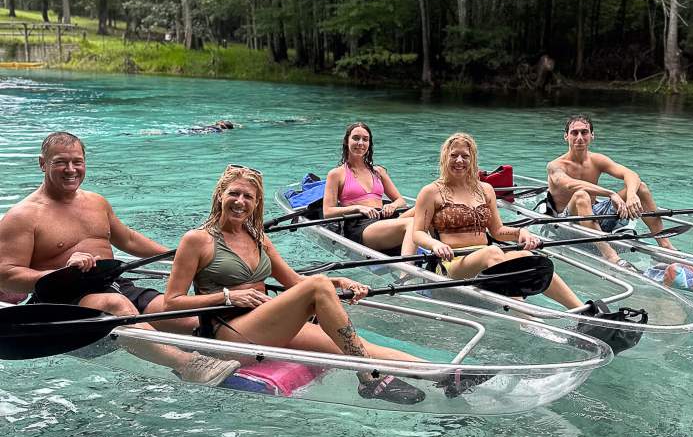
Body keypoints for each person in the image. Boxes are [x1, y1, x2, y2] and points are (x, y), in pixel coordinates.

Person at [162, 164, 430, 405]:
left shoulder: (257, 238)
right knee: (318, 286)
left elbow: (294, 283)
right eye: (234, 193)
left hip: (266, 324)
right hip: (228, 335)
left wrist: (338, 281)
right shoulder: (197, 240)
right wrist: (227, 296)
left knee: (361, 344)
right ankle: (369, 376)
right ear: (220, 194)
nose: (239, 202)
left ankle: (447, 375)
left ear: (257, 203)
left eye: (248, 197)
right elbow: (172, 302)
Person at [0, 131, 239, 386]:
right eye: (60, 162)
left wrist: (183, 255)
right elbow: (7, 275)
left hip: (115, 285)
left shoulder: (96, 202)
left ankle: (227, 350)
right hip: (63, 301)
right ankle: (189, 365)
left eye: (77, 161)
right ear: (42, 163)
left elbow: (129, 240)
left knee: (185, 313)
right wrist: (61, 272)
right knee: (115, 305)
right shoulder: (23, 216)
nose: (71, 169)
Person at [412, 133, 584, 310]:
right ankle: (526, 317)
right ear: (444, 158)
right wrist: (434, 244)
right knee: (492, 252)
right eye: (454, 155)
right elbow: (417, 232)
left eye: (465, 156)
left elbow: (497, 231)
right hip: (451, 264)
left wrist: (520, 233)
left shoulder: (485, 190)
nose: (459, 161)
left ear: (473, 160)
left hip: (487, 256)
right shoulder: (431, 192)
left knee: (526, 256)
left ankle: (582, 312)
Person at [546, 115, 676, 267]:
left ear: (592, 135)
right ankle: (610, 256)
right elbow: (570, 185)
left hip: (595, 214)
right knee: (581, 195)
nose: (579, 137)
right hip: (565, 225)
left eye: (584, 132)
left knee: (640, 187)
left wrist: (632, 194)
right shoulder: (555, 165)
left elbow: (631, 174)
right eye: (574, 133)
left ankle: (665, 245)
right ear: (566, 136)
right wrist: (611, 193)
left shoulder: (597, 160)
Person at [323, 122, 416, 255]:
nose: (360, 143)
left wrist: (393, 206)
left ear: (369, 144)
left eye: (365, 139)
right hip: (361, 225)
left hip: (384, 219)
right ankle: (406, 272)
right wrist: (358, 208)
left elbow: (400, 201)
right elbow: (328, 212)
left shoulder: (378, 171)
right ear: (346, 141)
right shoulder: (336, 174)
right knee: (412, 223)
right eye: (356, 138)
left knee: (427, 209)